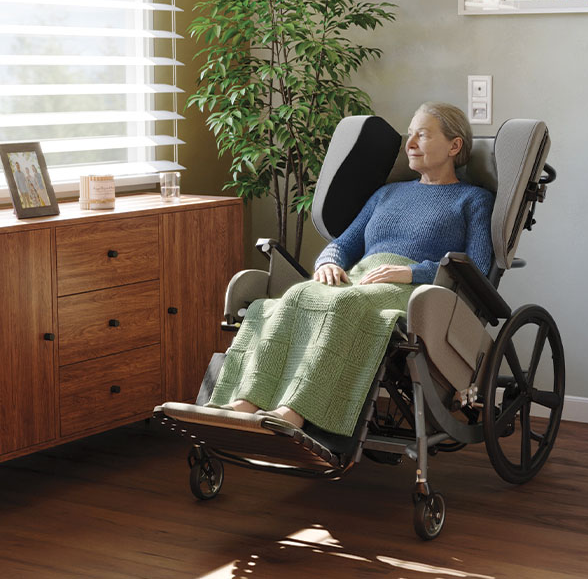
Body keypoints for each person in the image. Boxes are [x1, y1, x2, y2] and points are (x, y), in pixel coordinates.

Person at [207, 102, 494, 434]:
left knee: (344, 304)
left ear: (454, 146)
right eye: (410, 134)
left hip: (420, 294)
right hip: (362, 278)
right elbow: (343, 244)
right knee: (297, 294)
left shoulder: (473, 199)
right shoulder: (387, 193)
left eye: (423, 135)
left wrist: (412, 273)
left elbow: (478, 268)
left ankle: (295, 412)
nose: (410, 143)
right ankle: (246, 401)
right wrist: (329, 262)